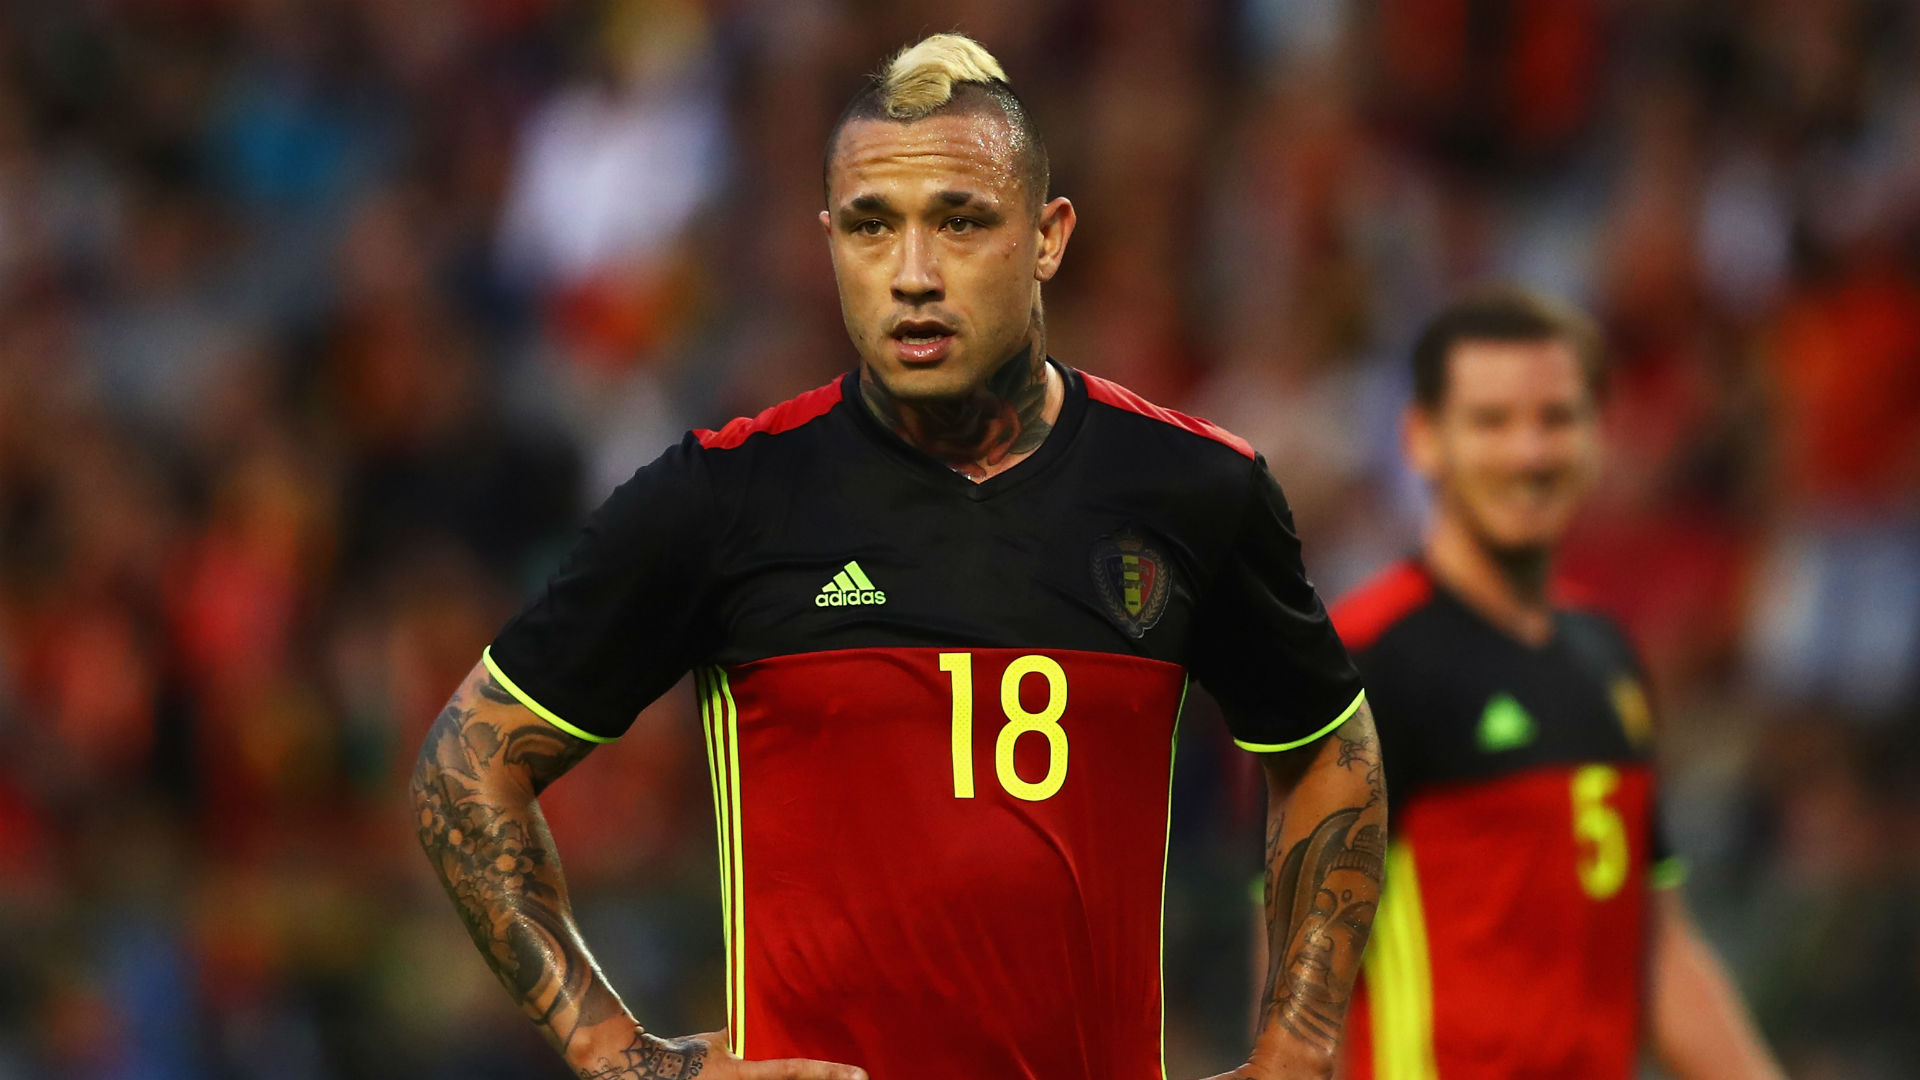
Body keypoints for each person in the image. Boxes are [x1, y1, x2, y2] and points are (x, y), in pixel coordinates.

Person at [411, 33, 1385, 1080]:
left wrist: (1300, 1042)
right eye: (873, 226)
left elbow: (1330, 752)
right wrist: (621, 1057)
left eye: (960, 222)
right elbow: (465, 770)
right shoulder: (724, 498)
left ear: (1048, 237)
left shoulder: (1193, 490)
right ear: (829, 241)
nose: (913, 275)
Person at [1329, 288, 1784, 1079]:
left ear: (1598, 434)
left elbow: (1657, 953)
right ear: (1423, 439)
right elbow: (1299, 968)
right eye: (1492, 421)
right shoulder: (1366, 662)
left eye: (1556, 418)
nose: (1528, 453)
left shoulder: (1609, 655)